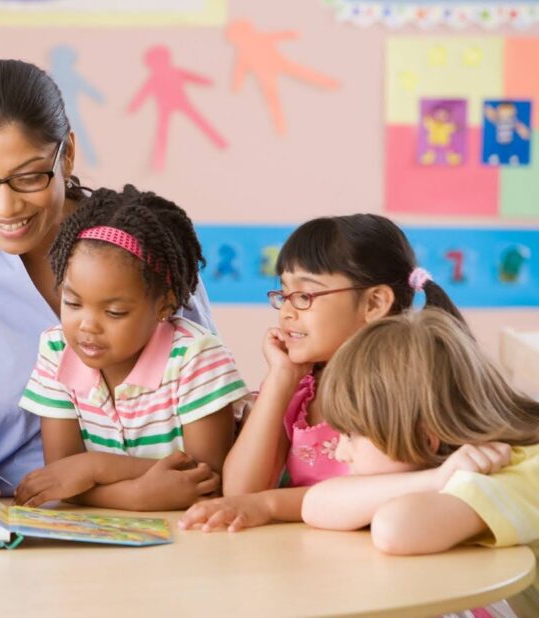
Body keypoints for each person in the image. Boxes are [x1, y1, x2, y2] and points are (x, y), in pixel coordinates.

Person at [0, 59, 218, 496]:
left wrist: (105, 479)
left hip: (171, 508)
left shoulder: (143, 244)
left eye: (28, 177)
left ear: (68, 155)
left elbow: (204, 400)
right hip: (7, 516)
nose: (5, 208)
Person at [181, 213, 463, 532]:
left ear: (374, 303)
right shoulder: (301, 387)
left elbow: (373, 492)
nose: (287, 312)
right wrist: (280, 379)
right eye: (284, 295)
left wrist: (270, 505)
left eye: (304, 296)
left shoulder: (396, 387)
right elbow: (242, 491)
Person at [15, 186, 247, 510]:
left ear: (163, 306)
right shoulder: (56, 349)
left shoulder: (197, 359)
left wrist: (95, 467)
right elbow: (60, 479)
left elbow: (207, 482)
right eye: (72, 302)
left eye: (114, 312)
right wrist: (136, 495)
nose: (87, 325)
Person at [304, 309, 539, 617]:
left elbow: (394, 529)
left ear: (426, 438)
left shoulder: (516, 471)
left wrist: (441, 479)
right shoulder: (449, 466)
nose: (340, 453)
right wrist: (436, 478)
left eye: (352, 435)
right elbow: (316, 504)